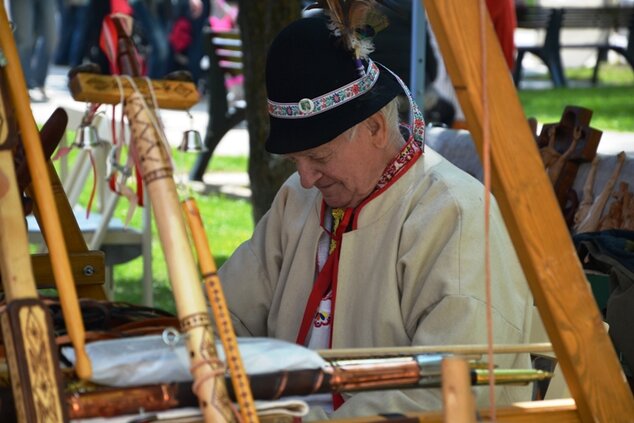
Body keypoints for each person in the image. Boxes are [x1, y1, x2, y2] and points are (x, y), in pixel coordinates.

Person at [218, 9, 533, 420]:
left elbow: (449, 392)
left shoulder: (455, 216)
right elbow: (225, 319)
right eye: (296, 159)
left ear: (376, 129)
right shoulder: (298, 199)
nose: (306, 178)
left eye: (318, 156)